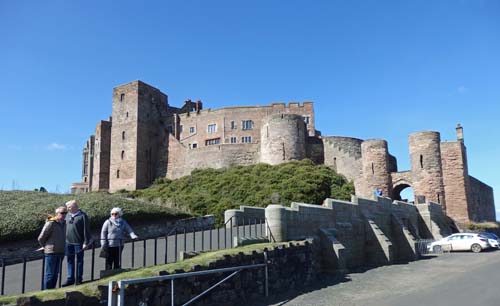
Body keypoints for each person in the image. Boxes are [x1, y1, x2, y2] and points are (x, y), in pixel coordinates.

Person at [63, 199, 92, 286]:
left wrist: (85, 242)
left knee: (79, 261)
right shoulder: (67, 215)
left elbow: (86, 230)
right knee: (69, 261)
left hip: (78, 243)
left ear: (75, 207)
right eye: (67, 207)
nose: (68, 209)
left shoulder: (83, 216)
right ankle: (70, 278)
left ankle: (79, 278)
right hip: (68, 242)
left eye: (69, 207)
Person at [38, 206, 67, 290]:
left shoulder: (64, 223)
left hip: (60, 251)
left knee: (55, 274)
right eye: (62, 213)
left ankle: (52, 291)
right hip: (51, 252)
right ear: (57, 214)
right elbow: (41, 237)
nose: (64, 215)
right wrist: (45, 246)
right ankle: (46, 292)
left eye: (65, 213)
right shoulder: (51, 223)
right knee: (50, 274)